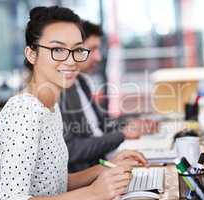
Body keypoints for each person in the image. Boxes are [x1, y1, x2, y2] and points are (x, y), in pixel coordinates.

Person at [0, 6, 147, 200]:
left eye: (77, 50)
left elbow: (58, 182)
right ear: (31, 55)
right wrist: (93, 193)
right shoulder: (24, 111)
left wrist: (108, 166)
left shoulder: (50, 107)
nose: (72, 61)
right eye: (57, 49)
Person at [60, 20, 157, 173]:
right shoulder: (61, 90)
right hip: (88, 175)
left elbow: (100, 126)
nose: (98, 57)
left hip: (103, 162)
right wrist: (122, 134)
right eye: (92, 49)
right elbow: (71, 150)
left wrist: (129, 124)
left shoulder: (81, 82)